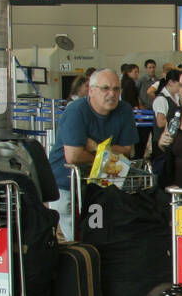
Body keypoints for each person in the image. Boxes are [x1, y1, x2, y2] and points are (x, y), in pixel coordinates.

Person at [47, 70, 137, 241]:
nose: (112, 94)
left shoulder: (124, 110)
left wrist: (95, 147)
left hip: (103, 182)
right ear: (91, 90)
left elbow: (127, 150)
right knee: (75, 238)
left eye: (116, 89)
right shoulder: (76, 111)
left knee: (103, 233)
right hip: (67, 182)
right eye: (105, 89)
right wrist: (109, 154)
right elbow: (73, 157)